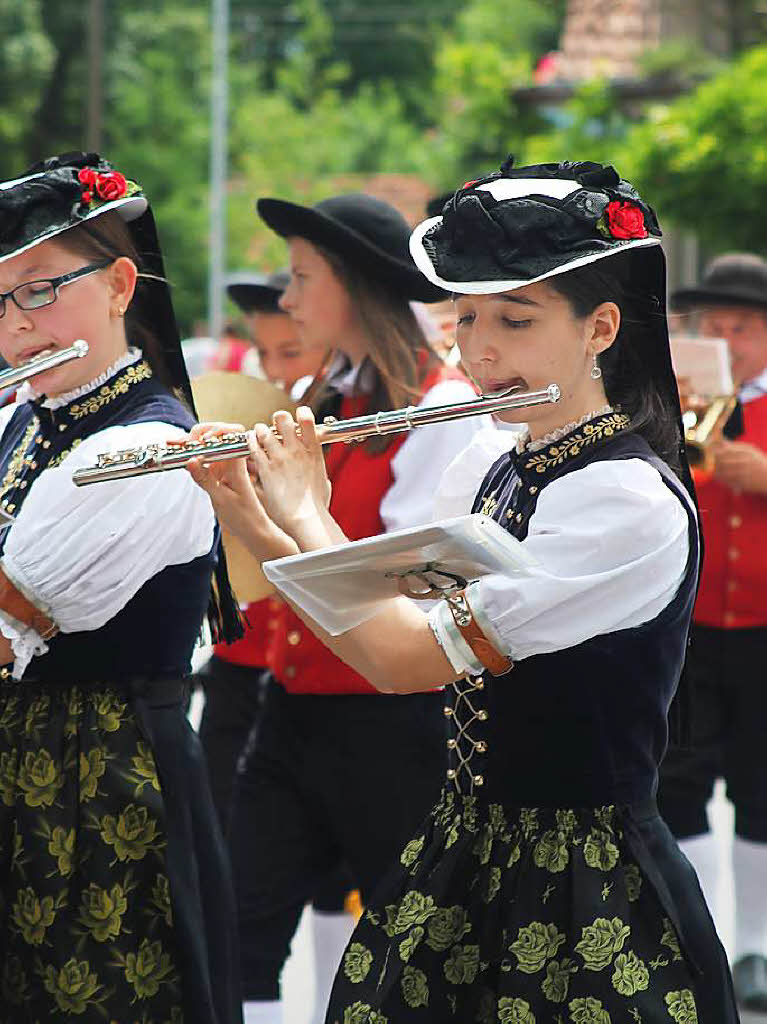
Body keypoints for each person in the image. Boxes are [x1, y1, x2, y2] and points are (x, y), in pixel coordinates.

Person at [189, 160, 738, 1022]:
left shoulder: (619, 500)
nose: (479, 351)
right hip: (464, 848)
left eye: (514, 321)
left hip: (584, 884)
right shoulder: (491, 459)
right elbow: (378, 619)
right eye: (467, 317)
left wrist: (308, 510)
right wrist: (253, 514)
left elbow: (402, 659)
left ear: (600, 328)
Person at [196, 191, 490, 1024]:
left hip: (392, 726)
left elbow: (385, 580)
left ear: (354, 284)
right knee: (235, 932)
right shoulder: (323, 400)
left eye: (299, 278)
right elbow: (271, 571)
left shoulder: (437, 410)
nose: (284, 301)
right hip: (289, 708)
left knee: (405, 955)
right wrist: (225, 497)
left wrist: (276, 508)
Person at [0, 152, 241, 1024]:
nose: (16, 325)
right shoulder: (23, 417)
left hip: (96, 790)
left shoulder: (139, 450)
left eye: (38, 289)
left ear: (119, 285)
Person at [196, 269, 358, 1024]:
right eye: (265, 356)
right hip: (248, 668)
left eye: (291, 351)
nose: (278, 372)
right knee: (242, 889)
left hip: (343, 680)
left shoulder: (352, 413)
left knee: (344, 887)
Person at [658, 253, 767, 1011]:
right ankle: (704, 941)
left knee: (763, 791)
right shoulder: (678, 401)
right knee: (680, 782)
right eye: (715, 328)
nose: (728, 340)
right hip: (690, 625)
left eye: (744, 328)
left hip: (764, 627)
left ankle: (756, 945)